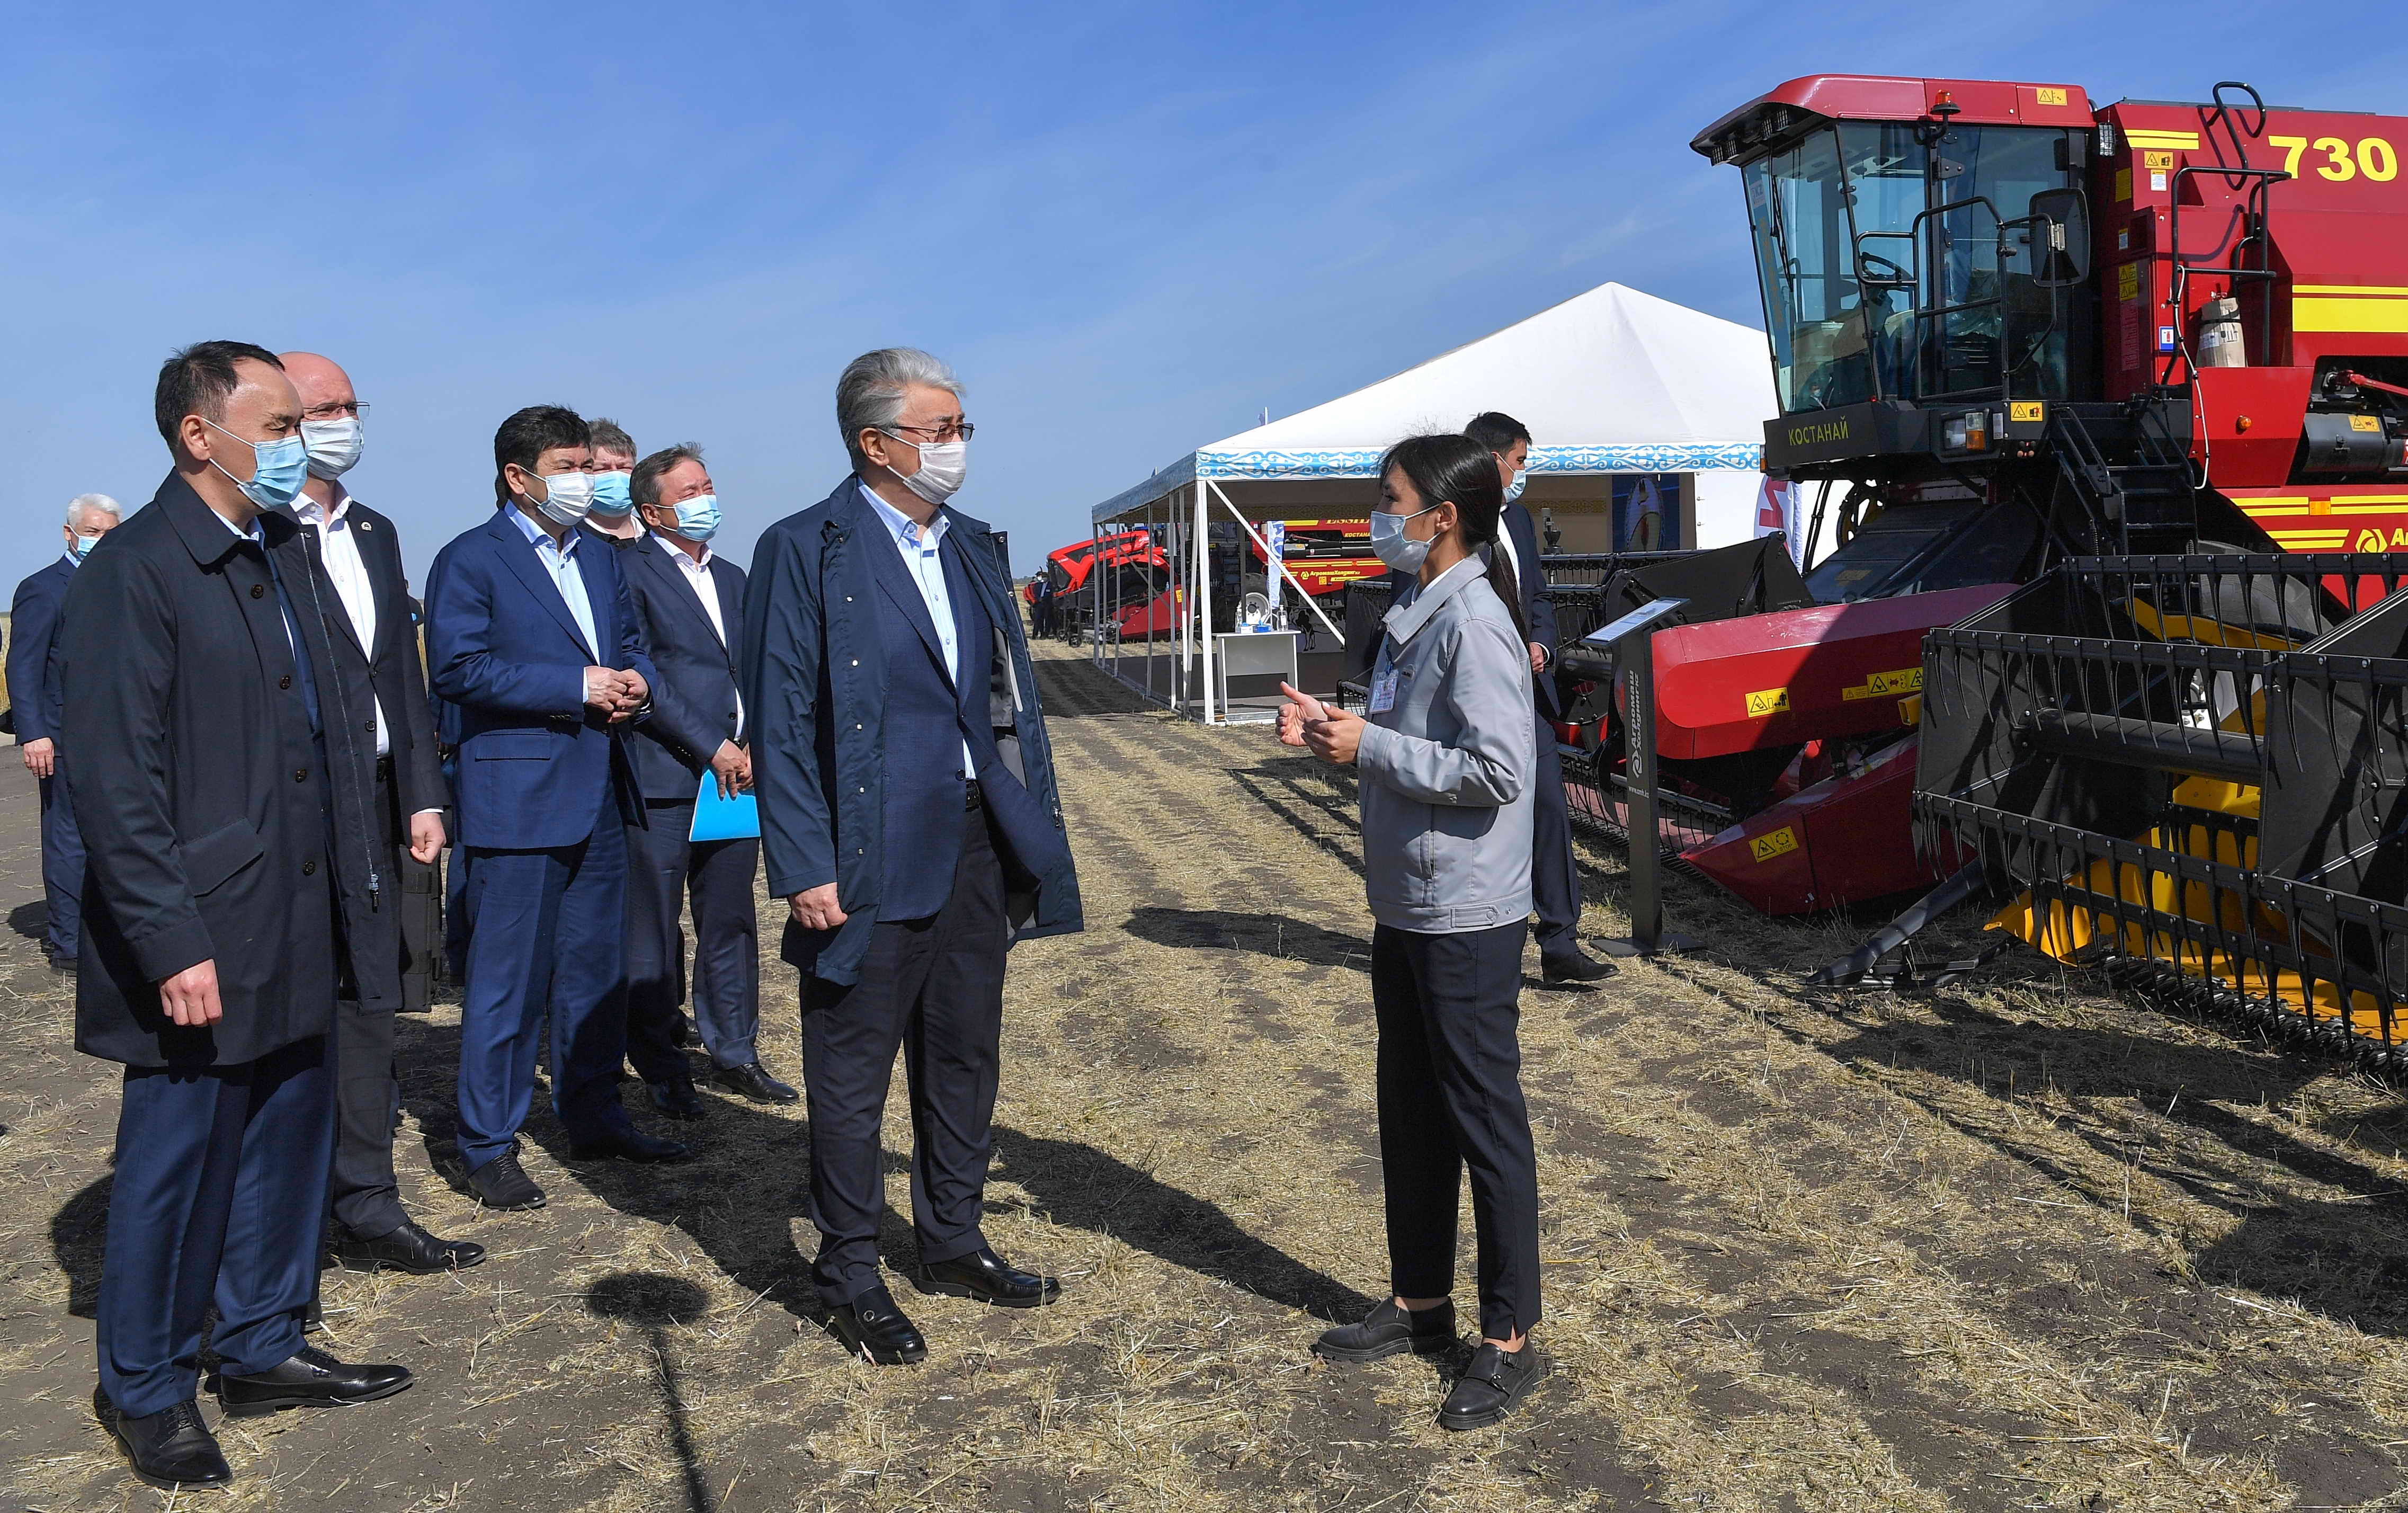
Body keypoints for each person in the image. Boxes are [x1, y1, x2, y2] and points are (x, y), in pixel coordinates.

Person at [67, 342, 413, 1490]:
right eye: (272, 426)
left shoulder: (285, 553)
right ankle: (150, 1386)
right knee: (179, 1165)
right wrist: (170, 940)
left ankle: (263, 1339)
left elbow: (336, 728)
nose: (295, 444)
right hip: (202, 928)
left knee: (288, 1134)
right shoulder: (137, 570)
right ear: (196, 436)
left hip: (303, 908)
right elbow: (118, 781)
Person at [743, 348, 1082, 1365]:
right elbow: (781, 714)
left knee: (964, 1051)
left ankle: (952, 1236)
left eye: (961, 428)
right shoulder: (805, 546)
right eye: (939, 429)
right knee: (851, 1075)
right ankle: (849, 1267)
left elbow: (1002, 697)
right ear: (875, 442)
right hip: (864, 853)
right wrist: (804, 865)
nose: (956, 446)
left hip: (975, 840)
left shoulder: (974, 544)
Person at [1281, 433, 1547, 1431]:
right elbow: (1408, 744)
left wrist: (1373, 744)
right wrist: (1336, 739)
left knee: (1484, 1121)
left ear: (1442, 517)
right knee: (1412, 1110)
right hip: (1407, 901)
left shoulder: (1472, 622)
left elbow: (1496, 770)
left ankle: (1510, 1335)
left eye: (1390, 500)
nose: (1375, 515)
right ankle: (1421, 1301)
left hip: (1465, 909)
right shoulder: (1416, 614)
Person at [425, 405, 687, 1213]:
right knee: (507, 984)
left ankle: (596, 1115)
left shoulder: (600, 560)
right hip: (517, 800)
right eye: (572, 467)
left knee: (591, 974)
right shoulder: (471, 560)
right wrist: (573, 687)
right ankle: (488, 1144)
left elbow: (627, 645)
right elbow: (458, 668)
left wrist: (635, 682)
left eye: (591, 467)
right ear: (519, 476)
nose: (590, 481)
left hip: (601, 792)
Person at [280, 351, 484, 1276]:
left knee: (372, 1005)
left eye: (350, 406)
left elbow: (399, 672)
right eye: (321, 408)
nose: (342, 421)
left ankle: (367, 1203)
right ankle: (285, 1221)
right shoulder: (255, 533)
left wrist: (423, 791)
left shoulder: (371, 529)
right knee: (290, 1012)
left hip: (376, 801)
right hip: (284, 808)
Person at [620, 442, 794, 1114]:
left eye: (708, 484)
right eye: (689, 490)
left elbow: (753, 667)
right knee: (654, 927)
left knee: (730, 920)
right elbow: (645, 677)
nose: (705, 497)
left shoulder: (733, 577)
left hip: (737, 779)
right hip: (666, 773)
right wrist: (711, 744)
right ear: (653, 512)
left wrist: (751, 746)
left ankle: (736, 1050)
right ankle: (661, 1061)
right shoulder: (625, 573)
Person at [1463, 411, 1612, 984]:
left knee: (1550, 812)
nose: (1523, 473)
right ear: (1491, 458)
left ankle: (1560, 944)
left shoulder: (1519, 521)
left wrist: (1541, 645)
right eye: (1519, 461)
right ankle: (1480, 938)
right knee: (1485, 821)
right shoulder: (1445, 524)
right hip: (1474, 699)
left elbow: (1541, 598)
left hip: (1529, 698)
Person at [10, 492, 120, 971]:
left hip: (121, 738)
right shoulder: (44, 588)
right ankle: (69, 946)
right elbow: (24, 666)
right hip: (63, 738)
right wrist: (34, 733)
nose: (101, 541)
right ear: (69, 533)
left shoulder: (124, 584)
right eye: (93, 532)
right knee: (69, 841)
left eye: (110, 534)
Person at [583, 417, 645, 547]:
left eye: (624, 467)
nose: (616, 475)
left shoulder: (658, 536)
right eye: (602, 469)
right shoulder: (572, 539)